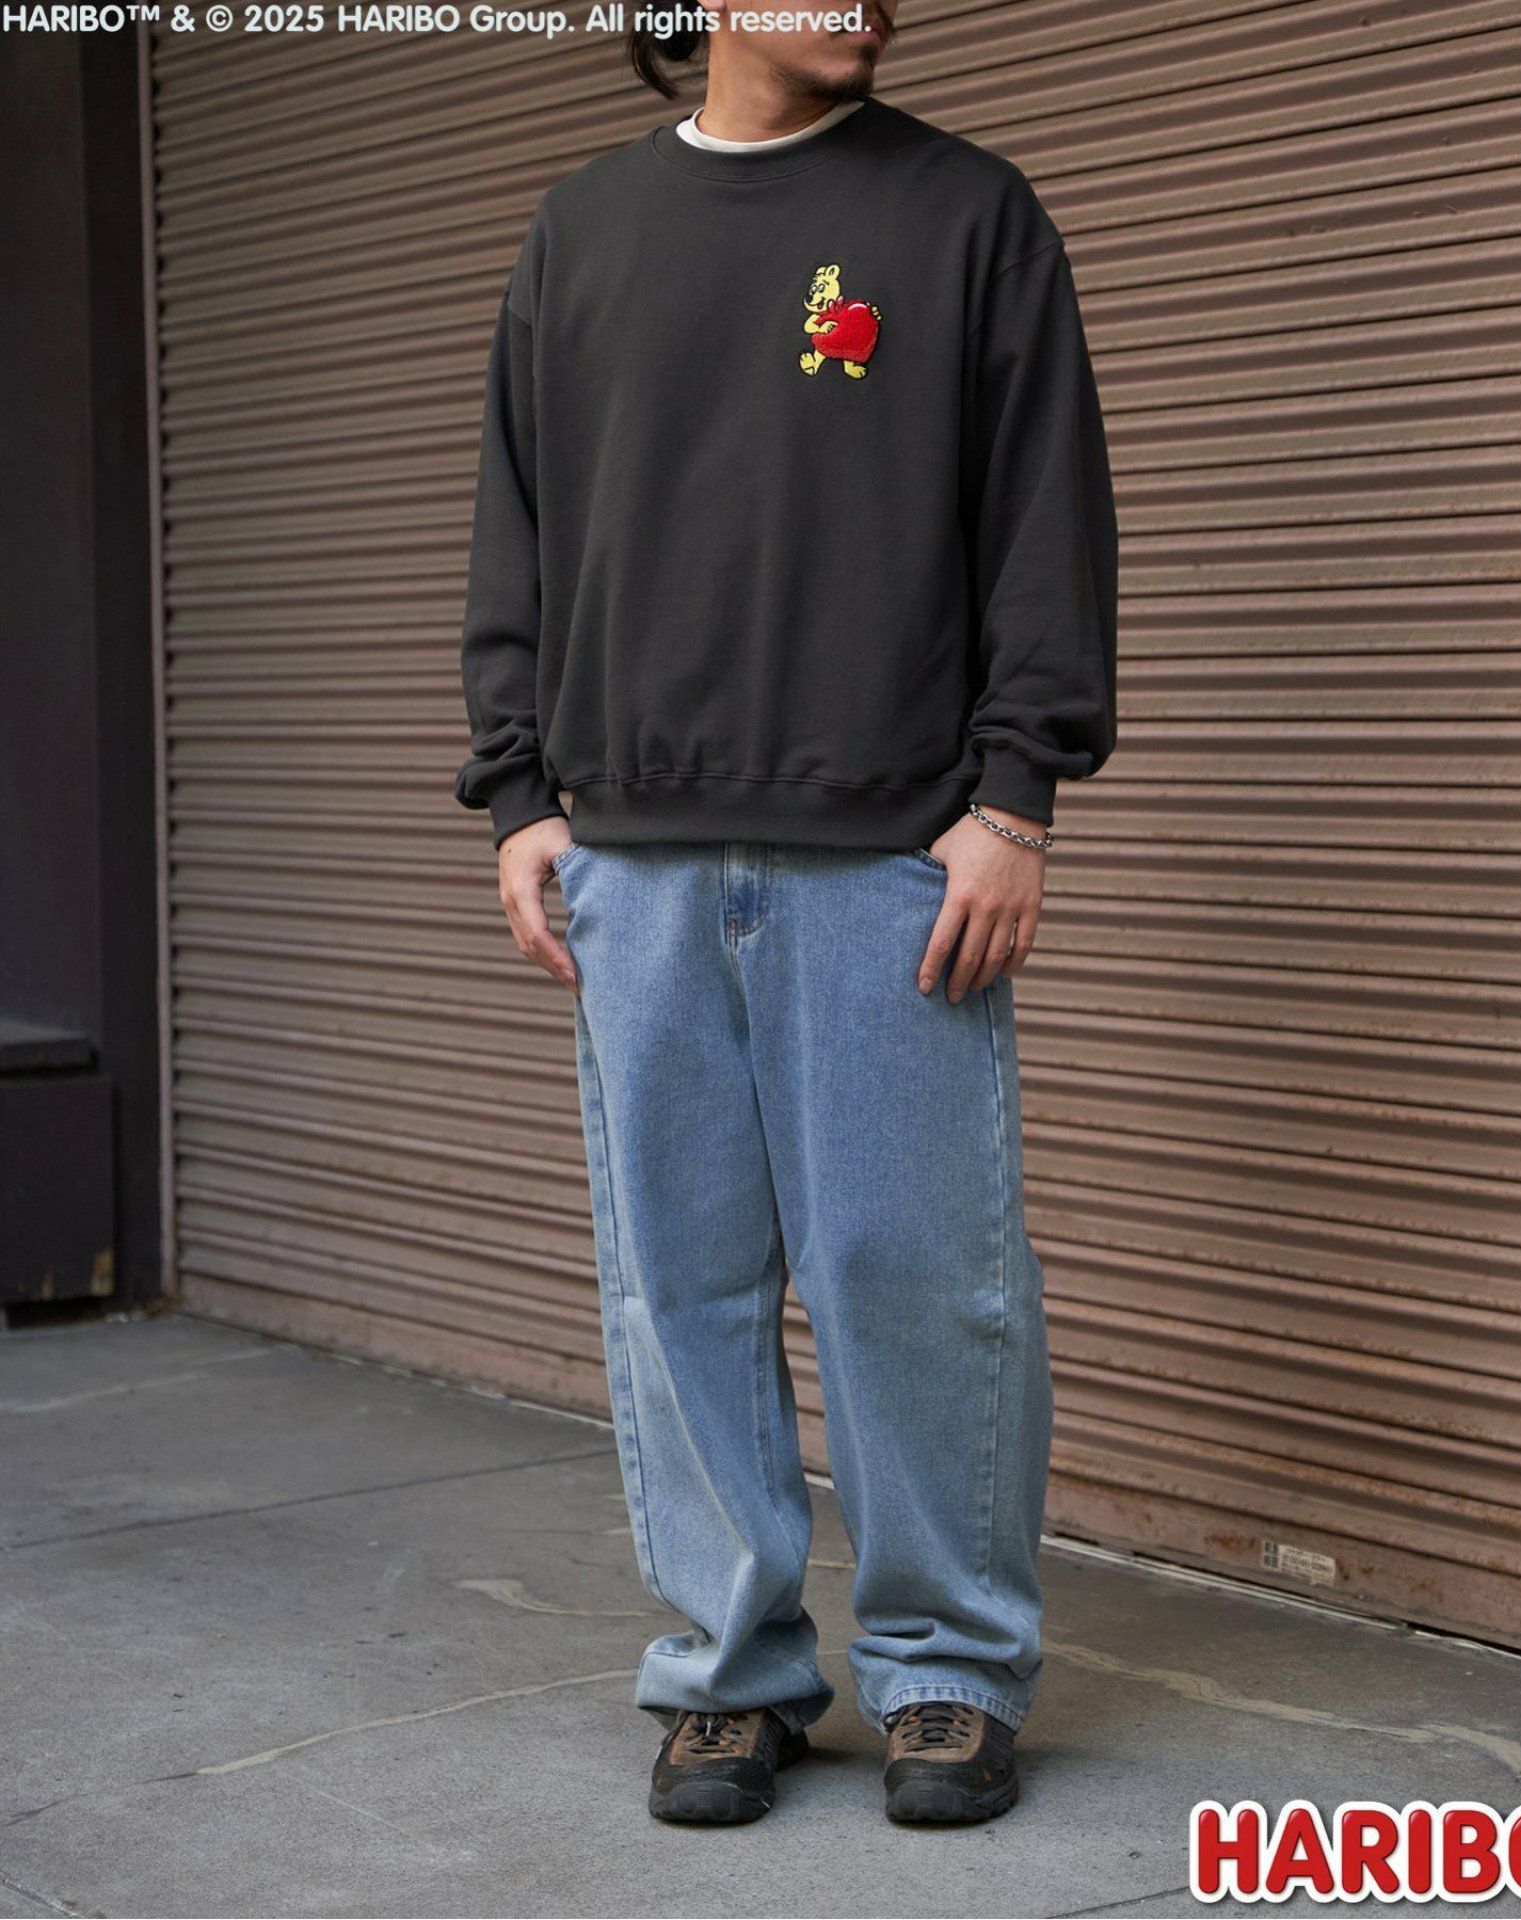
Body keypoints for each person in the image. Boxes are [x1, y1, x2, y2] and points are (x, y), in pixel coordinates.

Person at [454, 0, 1117, 1828]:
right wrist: (519, 793)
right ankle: (731, 1675)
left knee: (922, 1278)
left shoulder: (969, 217)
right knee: (677, 1287)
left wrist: (1014, 799)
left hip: (895, 851)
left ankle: (949, 1673)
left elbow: (1046, 522)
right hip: (636, 856)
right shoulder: (581, 233)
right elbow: (518, 524)